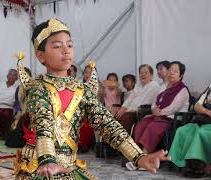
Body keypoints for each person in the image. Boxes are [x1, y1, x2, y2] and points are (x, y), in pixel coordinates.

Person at [14, 18, 170, 179]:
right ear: (41, 56)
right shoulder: (37, 87)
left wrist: (138, 156)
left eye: (69, 45)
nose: (66, 50)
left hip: (68, 166)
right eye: (57, 46)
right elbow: (43, 122)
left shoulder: (82, 90)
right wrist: (47, 160)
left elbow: (106, 123)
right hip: (39, 165)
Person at [134, 61, 189, 154]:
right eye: (170, 70)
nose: (171, 73)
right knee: (142, 124)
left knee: (153, 127)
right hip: (159, 116)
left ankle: (145, 156)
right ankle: (135, 154)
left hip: (173, 119)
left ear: (181, 75)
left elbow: (173, 108)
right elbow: (155, 102)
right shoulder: (166, 88)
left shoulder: (183, 90)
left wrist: (158, 113)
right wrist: (153, 110)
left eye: (175, 71)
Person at [169, 83, 211, 177]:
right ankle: (188, 165)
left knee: (200, 133)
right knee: (182, 130)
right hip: (205, 120)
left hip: (207, 125)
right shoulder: (210, 87)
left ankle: (200, 166)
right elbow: (196, 105)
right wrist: (206, 111)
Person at [115, 64, 160, 133]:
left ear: (151, 75)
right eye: (141, 73)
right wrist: (122, 109)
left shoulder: (154, 86)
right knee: (116, 115)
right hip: (130, 110)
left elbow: (145, 103)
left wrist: (129, 110)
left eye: (145, 72)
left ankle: (124, 141)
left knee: (126, 116)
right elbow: (129, 99)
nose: (143, 74)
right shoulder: (138, 86)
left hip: (140, 113)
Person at [5, 67, 31, 148]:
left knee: (22, 121)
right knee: (13, 121)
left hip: (30, 111)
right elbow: (17, 102)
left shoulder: (33, 86)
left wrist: (25, 112)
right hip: (21, 111)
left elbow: (32, 101)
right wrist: (19, 111)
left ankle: (22, 142)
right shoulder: (19, 88)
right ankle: (12, 143)